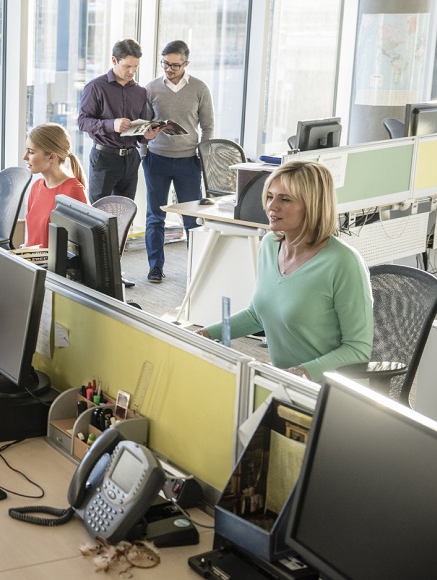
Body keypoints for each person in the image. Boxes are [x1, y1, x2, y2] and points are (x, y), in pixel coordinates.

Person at [198, 160, 373, 382]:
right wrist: (205, 334)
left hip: (330, 391)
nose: (272, 206)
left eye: (285, 199)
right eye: (270, 196)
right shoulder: (270, 245)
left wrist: (298, 373)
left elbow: (357, 350)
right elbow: (257, 314)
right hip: (286, 382)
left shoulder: (344, 262)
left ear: (313, 205)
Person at [143, 40, 215, 284]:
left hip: (188, 161)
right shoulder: (152, 88)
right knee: (155, 216)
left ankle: (195, 268)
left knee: (191, 218)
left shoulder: (199, 88)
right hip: (157, 159)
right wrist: (144, 153)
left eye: (175, 64)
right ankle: (155, 267)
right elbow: (143, 124)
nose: (169, 68)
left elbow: (207, 126)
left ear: (186, 63)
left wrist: (203, 157)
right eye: (165, 63)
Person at [78, 38, 165, 204]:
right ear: (114, 60)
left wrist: (148, 135)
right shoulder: (96, 87)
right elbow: (83, 122)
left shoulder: (140, 91)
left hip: (131, 158)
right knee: (99, 214)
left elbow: (140, 134)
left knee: (125, 213)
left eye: (135, 66)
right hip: (104, 157)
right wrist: (112, 124)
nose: (132, 71)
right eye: (127, 66)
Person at [22, 123, 88, 248]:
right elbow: (30, 240)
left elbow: (80, 249)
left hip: (52, 266)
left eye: (31, 152)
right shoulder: (36, 187)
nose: (25, 157)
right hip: (32, 263)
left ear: (52, 157)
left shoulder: (73, 192)